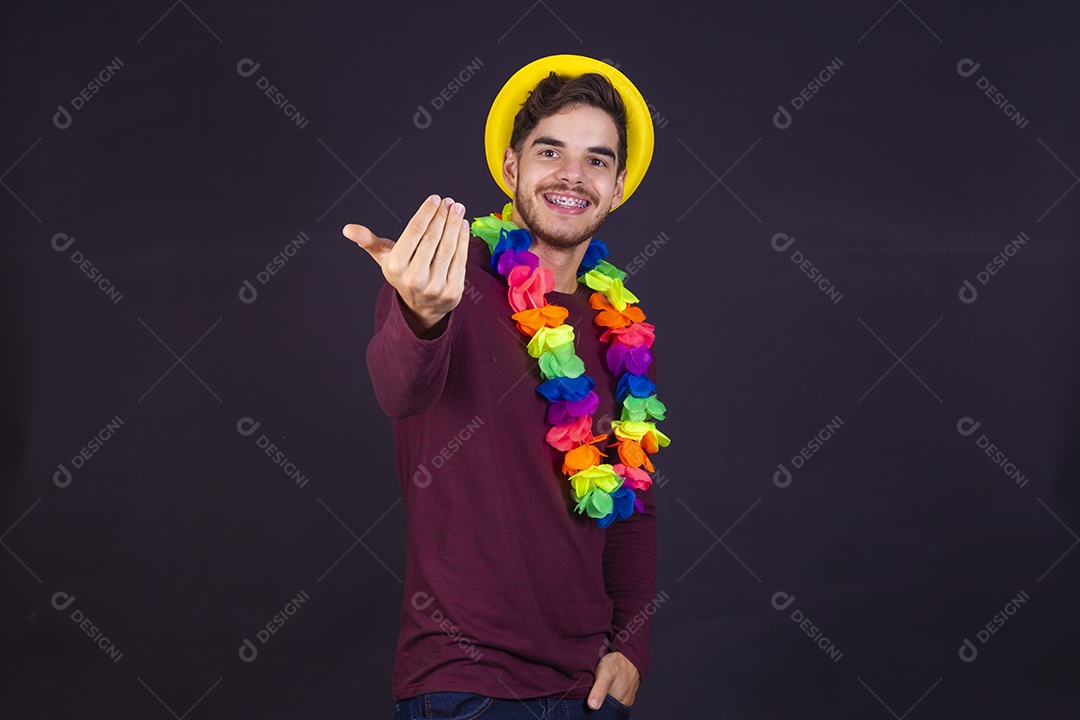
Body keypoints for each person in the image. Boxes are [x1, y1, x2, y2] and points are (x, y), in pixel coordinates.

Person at [343, 55, 668, 720]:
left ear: (617, 186)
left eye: (597, 160)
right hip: (467, 688)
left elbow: (630, 511)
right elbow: (401, 391)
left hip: (589, 694)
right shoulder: (444, 278)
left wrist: (632, 648)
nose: (573, 175)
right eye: (551, 151)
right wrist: (420, 315)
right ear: (512, 166)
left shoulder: (621, 330)